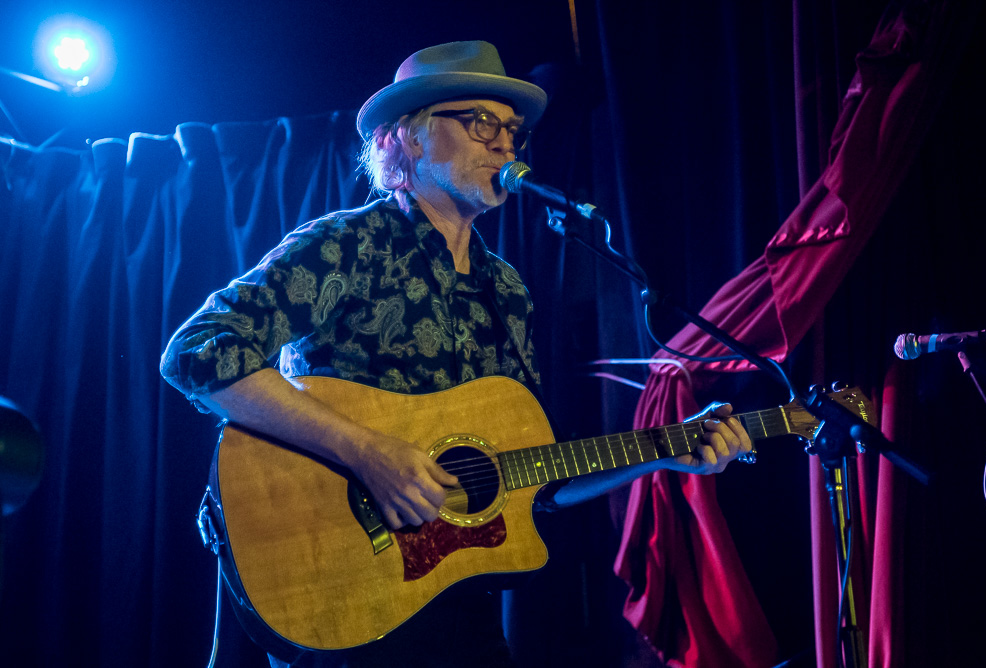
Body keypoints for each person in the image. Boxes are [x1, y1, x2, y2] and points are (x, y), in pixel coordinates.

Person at [160, 41, 753, 668]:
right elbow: (197, 353)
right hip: (339, 587)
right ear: (408, 139)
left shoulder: (505, 289)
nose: (505, 145)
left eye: (513, 131)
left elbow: (533, 481)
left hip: (460, 613)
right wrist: (370, 454)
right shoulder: (346, 246)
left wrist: (667, 453)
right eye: (481, 122)